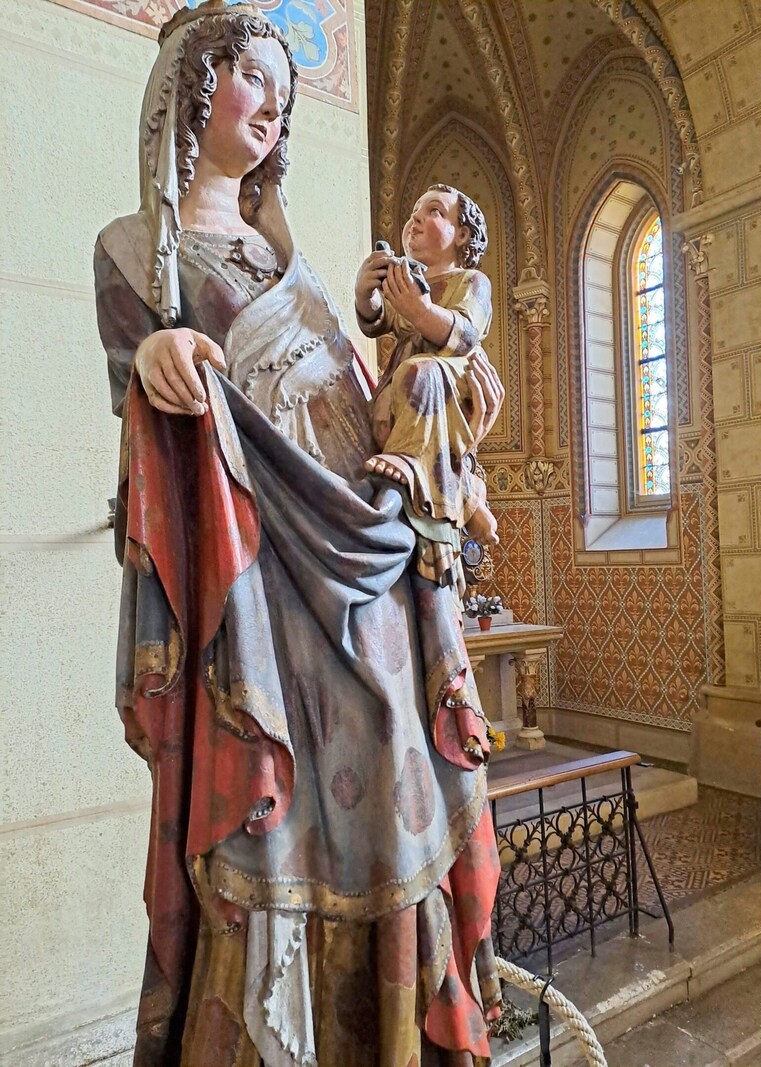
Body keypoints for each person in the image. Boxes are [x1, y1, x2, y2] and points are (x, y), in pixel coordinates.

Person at [93, 3, 506, 1065]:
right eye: (249, 76)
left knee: (395, 783)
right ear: (192, 90)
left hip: (361, 554)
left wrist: (414, 447)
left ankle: (386, 1037)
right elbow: (142, 407)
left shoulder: (298, 261)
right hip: (263, 578)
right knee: (276, 810)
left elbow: (366, 394)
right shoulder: (136, 246)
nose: (273, 103)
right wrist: (152, 361)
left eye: (285, 85)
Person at [355, 186, 498, 595]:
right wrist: (366, 293)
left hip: (446, 385)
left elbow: (465, 336)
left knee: (421, 372)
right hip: (404, 398)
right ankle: (467, 496)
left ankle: (416, 465)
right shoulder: (408, 278)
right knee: (389, 390)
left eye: (433, 211)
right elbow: (376, 322)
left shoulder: (471, 280)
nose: (414, 220)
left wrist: (420, 310)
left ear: (462, 235)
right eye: (413, 212)